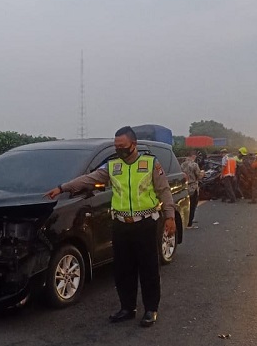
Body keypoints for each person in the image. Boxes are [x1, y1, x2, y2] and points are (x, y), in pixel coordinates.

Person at [45, 126, 177, 327]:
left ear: (133, 145)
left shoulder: (150, 163)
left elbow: (164, 191)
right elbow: (88, 179)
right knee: (123, 270)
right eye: (116, 146)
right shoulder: (113, 166)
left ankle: (151, 309)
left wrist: (169, 217)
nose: (119, 150)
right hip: (121, 225)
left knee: (148, 269)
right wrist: (62, 188)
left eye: (122, 146)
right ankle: (127, 308)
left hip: (145, 224)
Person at [180, 152, 203, 227]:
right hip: (193, 187)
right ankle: (190, 223)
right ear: (193, 156)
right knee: (193, 205)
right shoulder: (194, 165)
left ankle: (185, 221)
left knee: (186, 205)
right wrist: (203, 173)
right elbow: (199, 176)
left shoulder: (182, 165)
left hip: (185, 187)